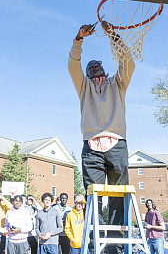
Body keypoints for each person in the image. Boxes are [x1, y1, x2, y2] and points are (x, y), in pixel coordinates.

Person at [68, 22, 135, 254]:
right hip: (91, 145)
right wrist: (79, 38)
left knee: (118, 195)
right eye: (91, 66)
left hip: (117, 141)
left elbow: (128, 61)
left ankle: (114, 243)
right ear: (87, 73)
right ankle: (96, 237)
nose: (95, 67)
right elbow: (73, 65)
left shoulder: (117, 83)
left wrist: (113, 36)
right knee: (93, 194)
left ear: (104, 69)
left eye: (98, 65)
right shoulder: (83, 87)